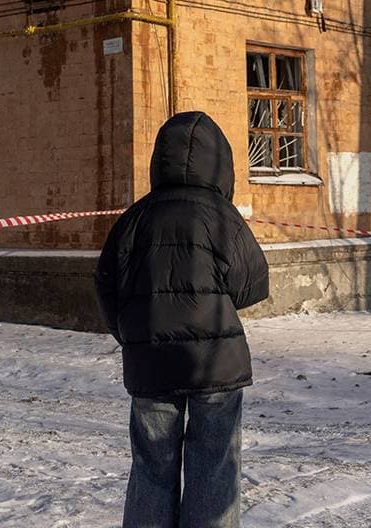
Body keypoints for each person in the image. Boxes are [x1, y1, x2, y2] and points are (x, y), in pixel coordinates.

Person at [95, 111, 270, 528]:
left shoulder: (134, 218)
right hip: (217, 364)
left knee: (152, 467)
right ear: (220, 164)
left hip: (150, 362)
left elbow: (106, 288)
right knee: (215, 464)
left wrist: (133, 335)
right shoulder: (223, 217)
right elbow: (253, 284)